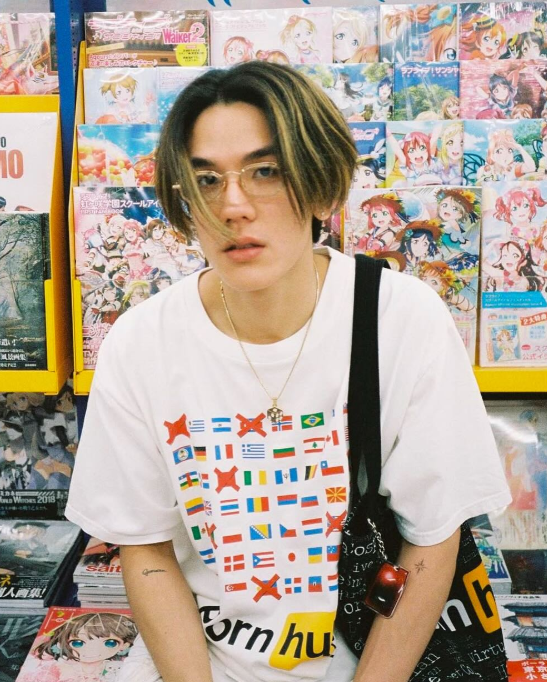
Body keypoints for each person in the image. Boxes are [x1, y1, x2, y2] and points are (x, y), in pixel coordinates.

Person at [66, 61, 511, 682]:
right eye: (206, 180)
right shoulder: (142, 343)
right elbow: (147, 551)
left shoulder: (402, 320)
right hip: (204, 661)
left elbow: (432, 539)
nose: (233, 206)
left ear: (323, 188)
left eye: (266, 172)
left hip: (371, 656)